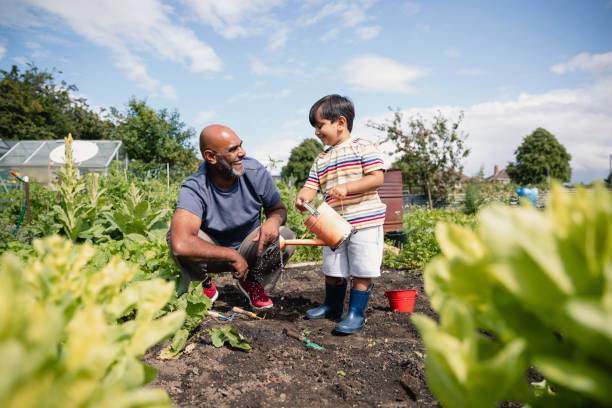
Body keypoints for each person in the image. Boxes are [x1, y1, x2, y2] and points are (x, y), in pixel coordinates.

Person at [168, 124, 296, 310]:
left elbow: (278, 209)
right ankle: (201, 283)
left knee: (287, 237)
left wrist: (273, 220)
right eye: (233, 149)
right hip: (214, 254)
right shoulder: (195, 187)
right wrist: (231, 255)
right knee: (175, 236)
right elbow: (181, 244)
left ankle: (252, 281)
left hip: (249, 247)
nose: (242, 153)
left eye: (240, 145)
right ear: (211, 157)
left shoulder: (255, 172)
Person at [296, 94, 386, 334]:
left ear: (341, 123)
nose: (316, 132)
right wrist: (304, 196)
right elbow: (311, 186)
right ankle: (332, 305)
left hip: (364, 220)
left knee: (362, 267)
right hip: (333, 224)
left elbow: (377, 178)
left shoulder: (363, 147)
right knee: (333, 267)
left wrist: (347, 188)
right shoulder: (321, 159)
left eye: (319, 125)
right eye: (314, 127)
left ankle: (356, 312)